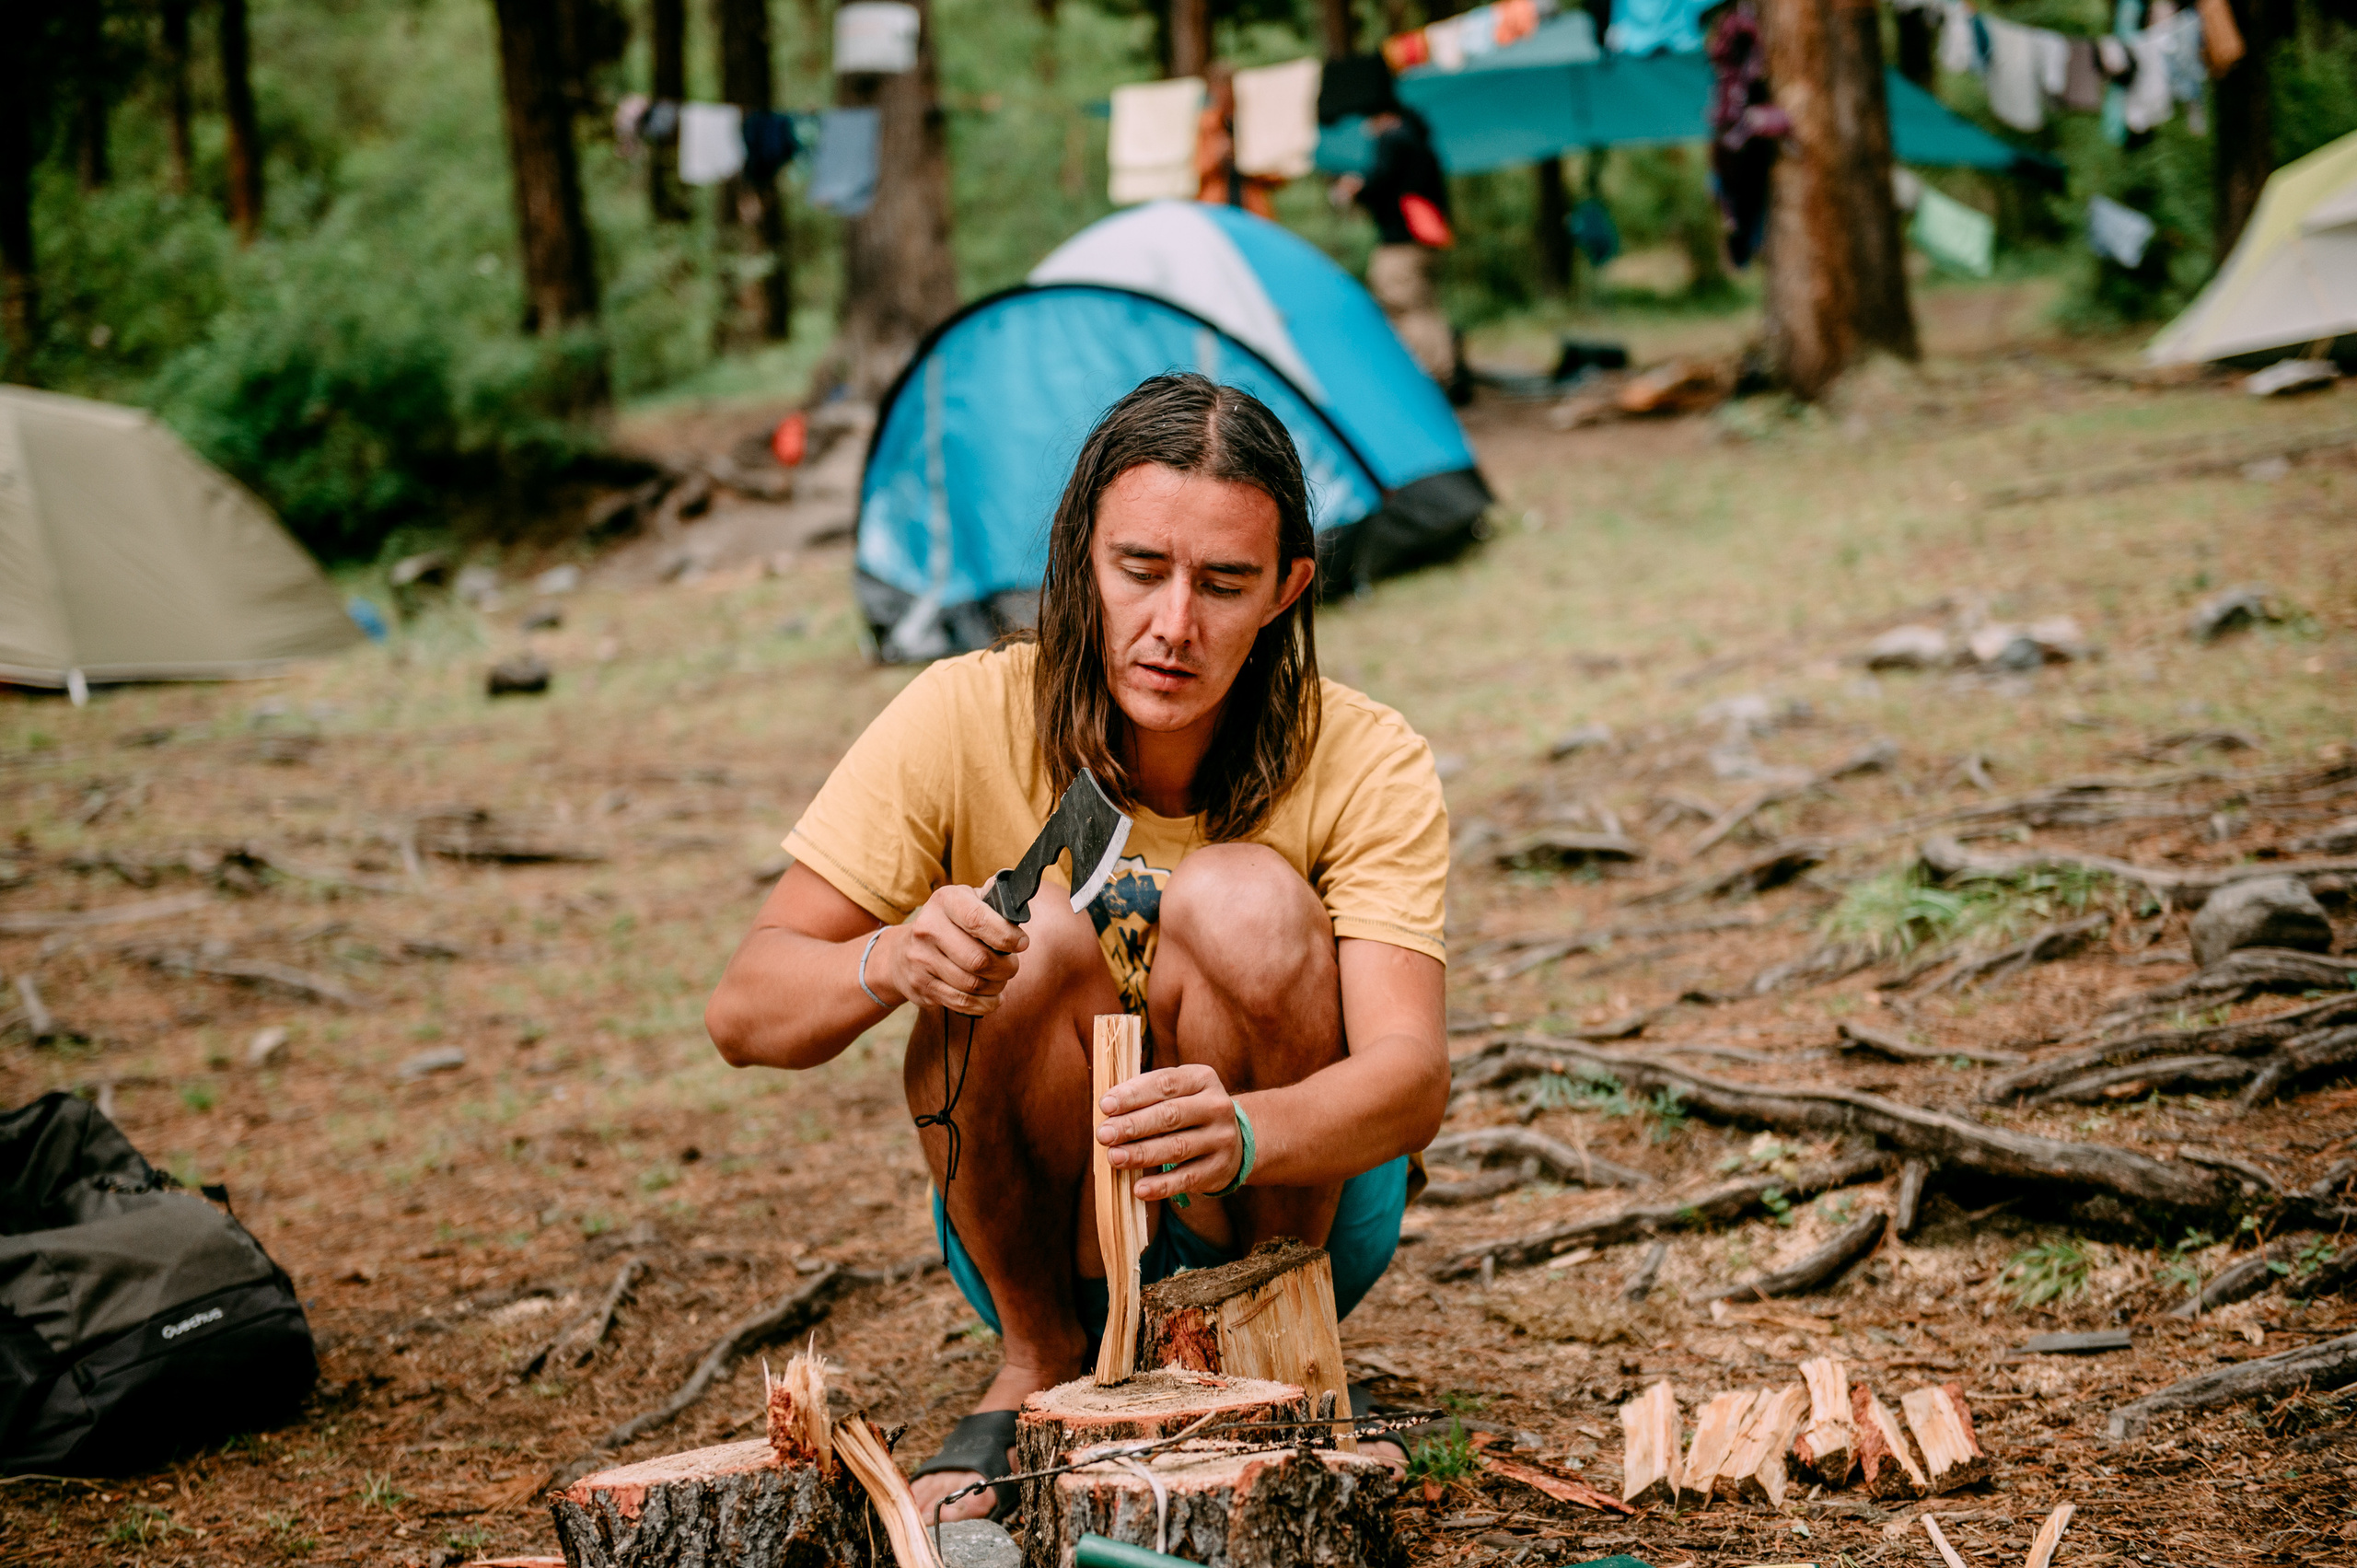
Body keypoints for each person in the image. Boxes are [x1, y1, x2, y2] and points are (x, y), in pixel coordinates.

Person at [706, 374, 1450, 1523]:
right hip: (1034, 1217)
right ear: (1078, 557)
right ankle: (1038, 1361)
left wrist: (1245, 1130)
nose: (1173, 625)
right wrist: (892, 957)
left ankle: (1267, 1353)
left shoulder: (1362, 754)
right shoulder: (962, 714)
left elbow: (1410, 1080)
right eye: (1139, 569)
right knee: (1028, 927)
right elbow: (744, 1009)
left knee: (1245, 895)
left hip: (1290, 1187)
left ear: (1288, 589)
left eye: (1225, 583)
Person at [1330, 107, 1457, 384]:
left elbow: (1380, 182)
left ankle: (1426, 382)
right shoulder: (1422, 145)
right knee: (1424, 310)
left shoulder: (1393, 140)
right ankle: (1442, 379)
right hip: (1425, 243)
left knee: (1405, 310)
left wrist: (1355, 189)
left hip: (1401, 246)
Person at [1195, 62, 1282, 219]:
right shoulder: (1205, 125)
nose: (1222, 93)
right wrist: (1217, 157)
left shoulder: (1254, 125)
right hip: (1216, 210)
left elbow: (1278, 174)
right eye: (1217, 87)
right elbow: (1194, 172)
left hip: (1253, 209)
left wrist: (1247, 158)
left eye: (1226, 86)